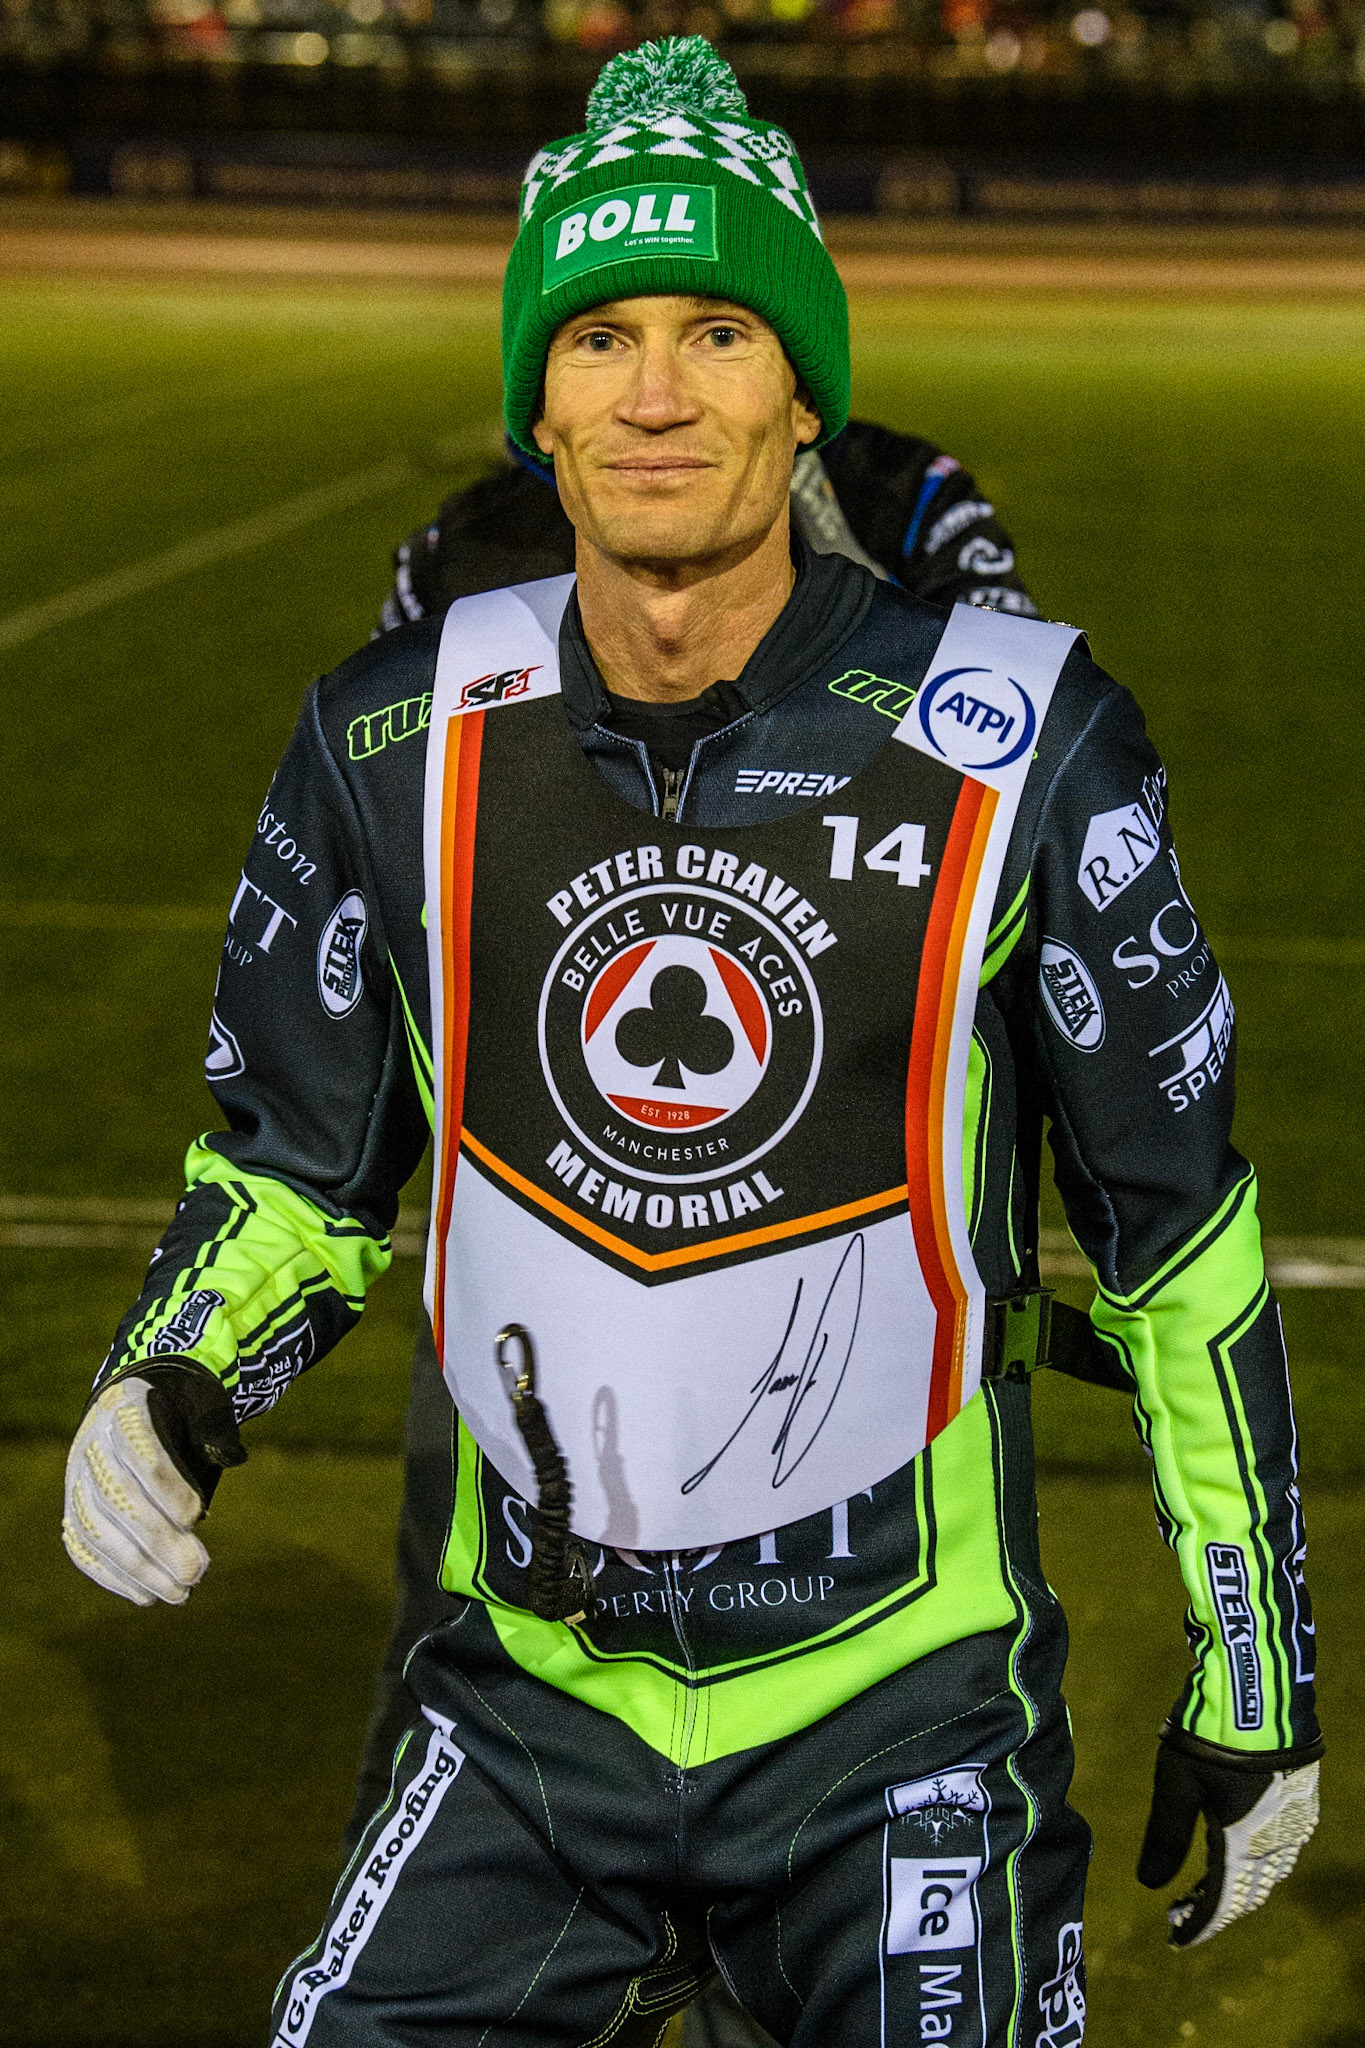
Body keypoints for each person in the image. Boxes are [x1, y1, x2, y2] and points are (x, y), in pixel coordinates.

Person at [63, 37, 1321, 2047]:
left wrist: (1256, 1674)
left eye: (718, 330)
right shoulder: (385, 735)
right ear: (532, 402)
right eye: (601, 336)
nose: (653, 391)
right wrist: (180, 1363)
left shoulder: (1023, 736)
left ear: (801, 386)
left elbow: (1174, 1243)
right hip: (523, 1720)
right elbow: (300, 1180)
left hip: (894, 1720)